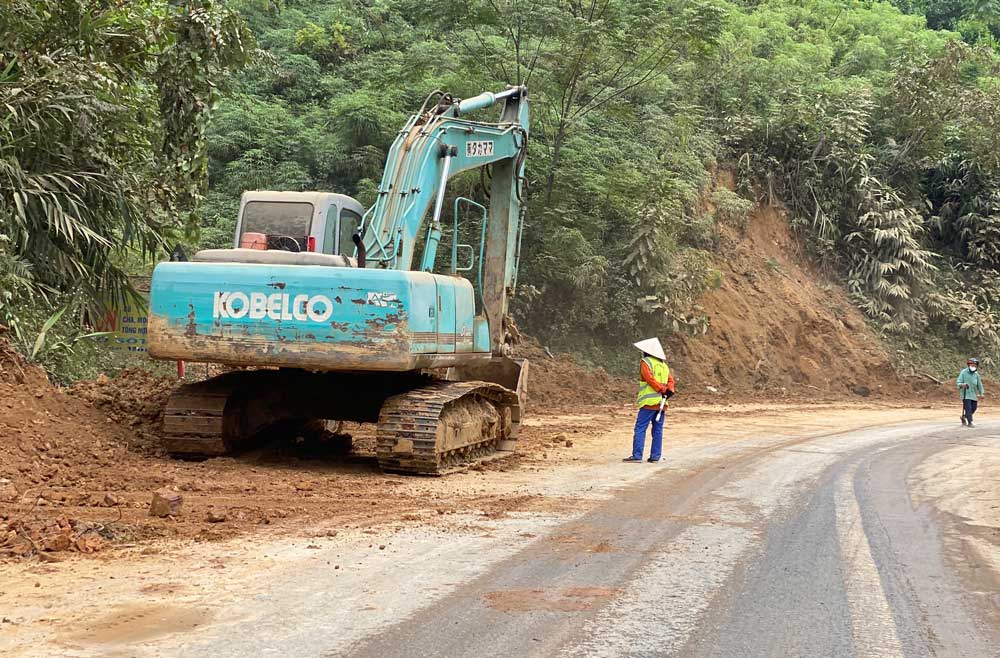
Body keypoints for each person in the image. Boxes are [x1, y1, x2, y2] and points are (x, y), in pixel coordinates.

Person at [624, 338, 675, 463]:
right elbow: (671, 381)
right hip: (662, 404)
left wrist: (662, 389)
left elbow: (649, 379)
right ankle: (655, 456)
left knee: (640, 428)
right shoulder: (664, 365)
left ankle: (637, 455)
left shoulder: (645, 362)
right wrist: (668, 391)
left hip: (648, 403)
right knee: (658, 429)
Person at [957, 357, 985, 428]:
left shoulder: (976, 374)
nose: (974, 367)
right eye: (972, 365)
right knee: (968, 408)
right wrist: (962, 384)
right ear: (969, 365)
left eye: (975, 365)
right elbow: (958, 382)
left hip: (973, 394)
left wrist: (981, 393)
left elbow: (979, 384)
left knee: (974, 408)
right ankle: (970, 422)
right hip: (965, 394)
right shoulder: (963, 372)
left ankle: (964, 417)